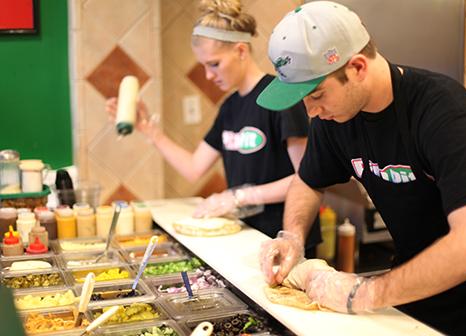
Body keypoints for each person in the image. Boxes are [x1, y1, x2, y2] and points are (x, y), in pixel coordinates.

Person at [257, 1, 466, 335]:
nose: (311, 111)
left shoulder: (443, 113)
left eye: (316, 94)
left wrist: (367, 292)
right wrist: (293, 237)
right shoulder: (335, 116)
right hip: (411, 297)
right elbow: (308, 181)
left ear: (358, 67)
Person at [106, 0, 321, 256]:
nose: (208, 75)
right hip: (249, 236)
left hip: (289, 240)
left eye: (214, 64)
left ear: (241, 51)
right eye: (204, 66)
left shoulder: (279, 98)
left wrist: (238, 197)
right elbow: (194, 168)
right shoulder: (229, 107)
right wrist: (150, 131)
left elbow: (307, 178)